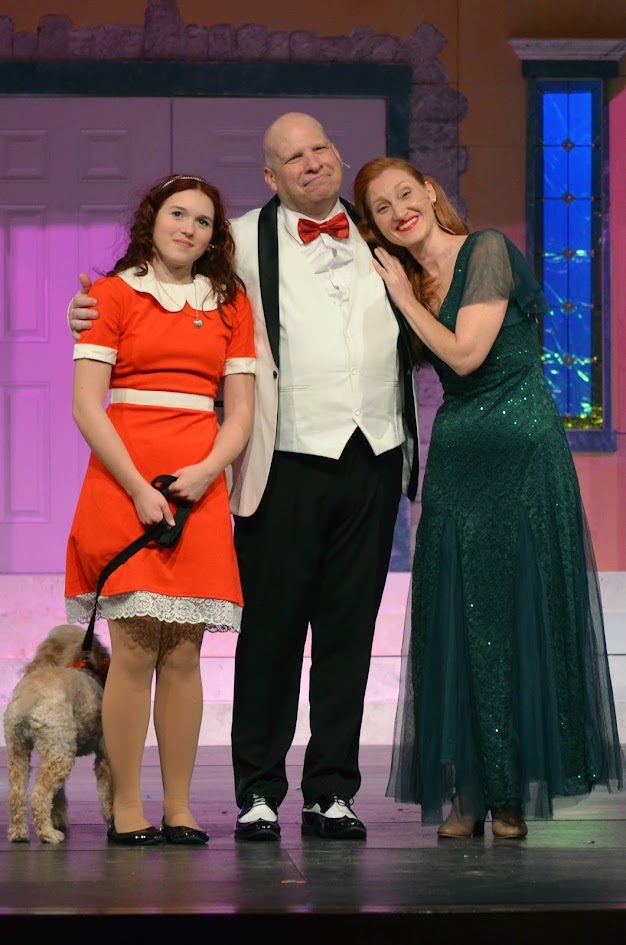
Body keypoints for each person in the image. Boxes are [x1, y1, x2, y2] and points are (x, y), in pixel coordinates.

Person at [67, 112, 420, 843]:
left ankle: (332, 790)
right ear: (270, 175)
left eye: (320, 149)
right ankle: (258, 790)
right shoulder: (239, 242)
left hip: (374, 455)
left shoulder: (383, 234)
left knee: (350, 632)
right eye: (293, 157)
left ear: (337, 154)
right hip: (282, 459)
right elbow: (160, 283)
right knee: (272, 633)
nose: (312, 163)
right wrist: (86, 308)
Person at [353, 155, 624, 839]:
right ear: (375, 225)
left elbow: (467, 354)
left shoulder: (487, 251)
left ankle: (509, 793)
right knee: (461, 617)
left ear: (430, 192)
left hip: (523, 451)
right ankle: (470, 788)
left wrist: (402, 296)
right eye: (381, 207)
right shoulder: (404, 278)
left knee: (517, 614)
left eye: (405, 194)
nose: (398, 211)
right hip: (460, 455)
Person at [65, 173, 256, 846]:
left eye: (203, 221)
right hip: (125, 482)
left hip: (197, 486)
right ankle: (127, 807)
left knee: (184, 652)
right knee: (135, 648)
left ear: (213, 237)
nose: (189, 228)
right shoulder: (111, 295)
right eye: (178, 214)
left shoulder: (231, 303)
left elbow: (240, 413)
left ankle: (179, 807)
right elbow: (86, 405)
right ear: (152, 219)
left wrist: (206, 472)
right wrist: (140, 489)